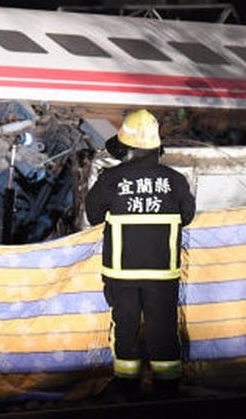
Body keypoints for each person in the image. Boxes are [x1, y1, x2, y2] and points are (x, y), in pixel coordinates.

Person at [85, 109, 196, 401]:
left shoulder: (112, 179)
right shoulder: (175, 181)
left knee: (125, 329)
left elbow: (93, 215)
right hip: (163, 273)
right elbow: (188, 216)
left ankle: (126, 387)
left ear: (127, 147)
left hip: (122, 273)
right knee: (163, 329)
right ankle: (167, 390)